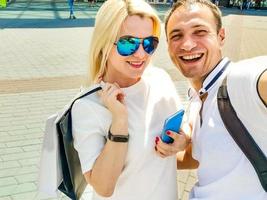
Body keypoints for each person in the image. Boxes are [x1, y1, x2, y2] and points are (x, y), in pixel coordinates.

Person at [71, 0, 189, 199]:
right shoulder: (87, 105)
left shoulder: (160, 78)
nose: (141, 54)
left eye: (149, 43)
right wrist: (119, 121)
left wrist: (183, 140)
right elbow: (103, 187)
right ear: (103, 44)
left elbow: (184, 128)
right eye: (128, 43)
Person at [163, 0, 267, 199]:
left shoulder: (241, 80)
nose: (187, 44)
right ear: (168, 46)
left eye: (200, 32)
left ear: (221, 37)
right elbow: (199, 158)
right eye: (176, 36)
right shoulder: (196, 96)